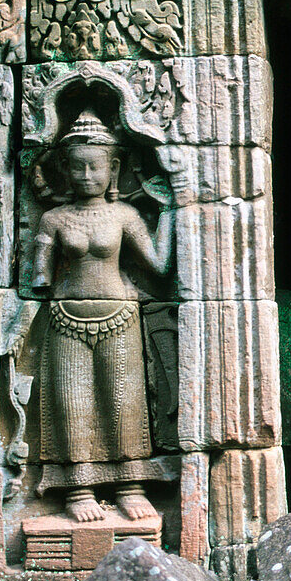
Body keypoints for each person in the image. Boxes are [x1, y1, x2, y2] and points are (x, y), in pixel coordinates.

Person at [32, 108, 173, 522]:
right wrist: (42, 248)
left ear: (113, 168)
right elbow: (38, 278)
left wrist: (167, 212)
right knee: (73, 403)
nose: (86, 175)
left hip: (121, 316)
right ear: (63, 169)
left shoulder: (125, 216)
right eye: (77, 167)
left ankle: (130, 486)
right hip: (66, 318)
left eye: (95, 167)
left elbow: (160, 266)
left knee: (123, 402)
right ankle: (79, 491)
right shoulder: (54, 218)